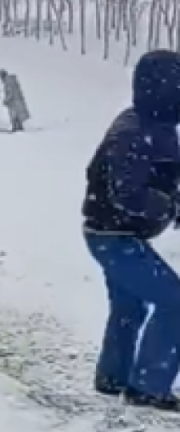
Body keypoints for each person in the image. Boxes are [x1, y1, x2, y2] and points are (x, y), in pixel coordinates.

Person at [82, 49, 180, 412]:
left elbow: (167, 177)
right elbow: (129, 193)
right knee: (175, 301)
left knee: (129, 306)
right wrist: (168, 205)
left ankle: (113, 378)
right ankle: (149, 387)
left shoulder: (155, 125)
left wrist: (172, 200)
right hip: (113, 236)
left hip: (114, 233)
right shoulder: (134, 132)